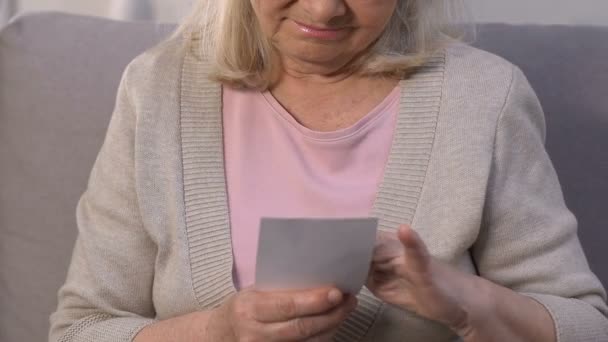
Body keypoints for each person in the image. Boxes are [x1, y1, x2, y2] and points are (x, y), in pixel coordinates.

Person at [50, 0, 608, 341]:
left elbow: (587, 326)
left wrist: (464, 301)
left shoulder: (483, 96)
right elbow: (81, 330)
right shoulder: (158, 87)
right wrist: (219, 332)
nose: (323, 10)